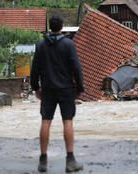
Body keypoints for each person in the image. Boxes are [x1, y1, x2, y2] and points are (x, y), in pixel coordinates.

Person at [30, 14, 84, 173]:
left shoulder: (41, 45)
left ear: (49, 26)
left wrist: (36, 88)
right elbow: (76, 68)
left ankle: (43, 161)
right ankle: (70, 160)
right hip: (66, 89)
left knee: (46, 122)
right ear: (61, 27)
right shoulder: (68, 44)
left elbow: (35, 70)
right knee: (67, 122)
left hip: (47, 89)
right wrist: (80, 88)